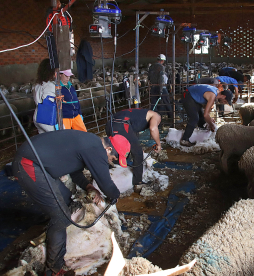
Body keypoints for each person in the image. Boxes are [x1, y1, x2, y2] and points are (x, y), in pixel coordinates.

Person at [12, 130, 129, 276]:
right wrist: (115, 196)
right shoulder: (96, 149)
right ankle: (53, 268)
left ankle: (55, 235)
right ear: (109, 149)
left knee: (68, 202)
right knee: (61, 217)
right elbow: (105, 182)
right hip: (29, 164)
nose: (111, 162)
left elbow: (75, 172)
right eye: (112, 159)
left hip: (41, 167)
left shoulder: (90, 143)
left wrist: (89, 187)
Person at [106, 108, 162, 188]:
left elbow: (132, 133)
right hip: (122, 125)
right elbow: (153, 128)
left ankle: (111, 170)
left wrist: (135, 145)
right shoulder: (156, 115)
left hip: (110, 125)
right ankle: (138, 183)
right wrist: (158, 144)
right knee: (138, 153)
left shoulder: (139, 113)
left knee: (116, 149)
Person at [33, 59, 56, 134]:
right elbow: (48, 102)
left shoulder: (37, 84)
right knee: (55, 137)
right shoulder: (50, 85)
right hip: (47, 117)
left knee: (43, 139)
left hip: (37, 114)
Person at [148, 54, 173, 119]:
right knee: (166, 102)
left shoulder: (151, 67)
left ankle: (153, 117)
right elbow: (162, 78)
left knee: (153, 103)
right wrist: (162, 89)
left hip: (153, 87)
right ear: (162, 60)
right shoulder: (161, 67)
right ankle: (171, 117)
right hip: (161, 86)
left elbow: (149, 77)